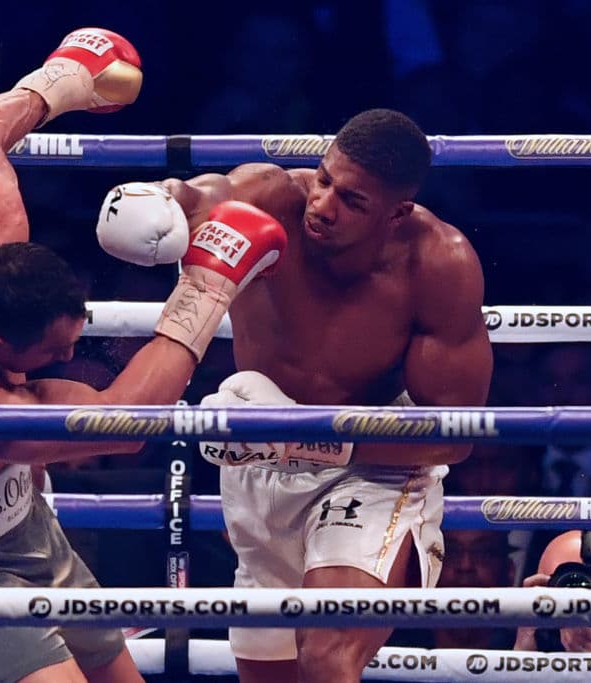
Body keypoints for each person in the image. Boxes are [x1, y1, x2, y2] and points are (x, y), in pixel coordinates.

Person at [0, 28, 287, 683]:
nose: (72, 353)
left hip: (22, 522)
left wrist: (61, 80)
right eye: (54, 351)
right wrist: (206, 286)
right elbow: (124, 420)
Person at [98, 108, 493, 682]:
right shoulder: (275, 198)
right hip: (259, 466)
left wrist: (303, 441)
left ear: (396, 213)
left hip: (369, 469)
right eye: (325, 179)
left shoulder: (437, 263)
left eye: (353, 201)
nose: (324, 205)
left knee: (326, 652)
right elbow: (210, 196)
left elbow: (452, 437)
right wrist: (162, 199)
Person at [514, 530, 591, 653]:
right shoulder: (526, 648)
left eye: (588, 592)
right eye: (560, 593)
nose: (575, 612)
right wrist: (522, 657)